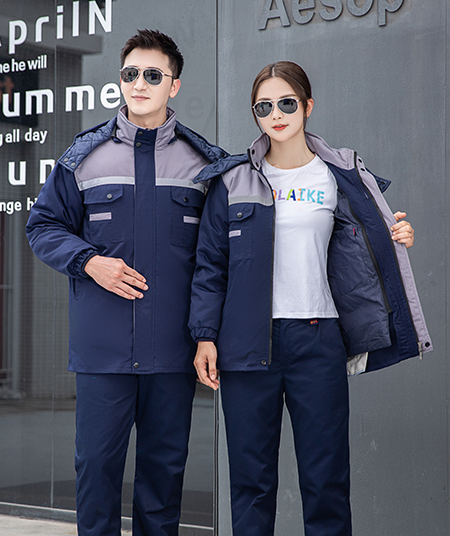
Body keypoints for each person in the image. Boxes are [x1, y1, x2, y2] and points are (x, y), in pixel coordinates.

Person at [188, 61, 432, 536]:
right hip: (246, 346)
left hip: (318, 342)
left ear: (307, 106)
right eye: (263, 107)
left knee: (326, 482)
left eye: (286, 103)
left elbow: (368, 239)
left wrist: (397, 235)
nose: (275, 114)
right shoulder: (232, 180)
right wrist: (204, 336)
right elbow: (209, 266)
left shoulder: (336, 175)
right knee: (251, 484)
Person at [26, 30, 227, 536]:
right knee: (96, 471)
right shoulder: (83, 158)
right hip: (103, 352)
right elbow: (42, 227)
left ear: (173, 86)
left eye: (152, 75)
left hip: (172, 352)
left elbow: (218, 257)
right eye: (130, 74)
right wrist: (89, 261)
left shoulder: (204, 165)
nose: (139, 84)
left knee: (163, 477)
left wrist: (206, 334)